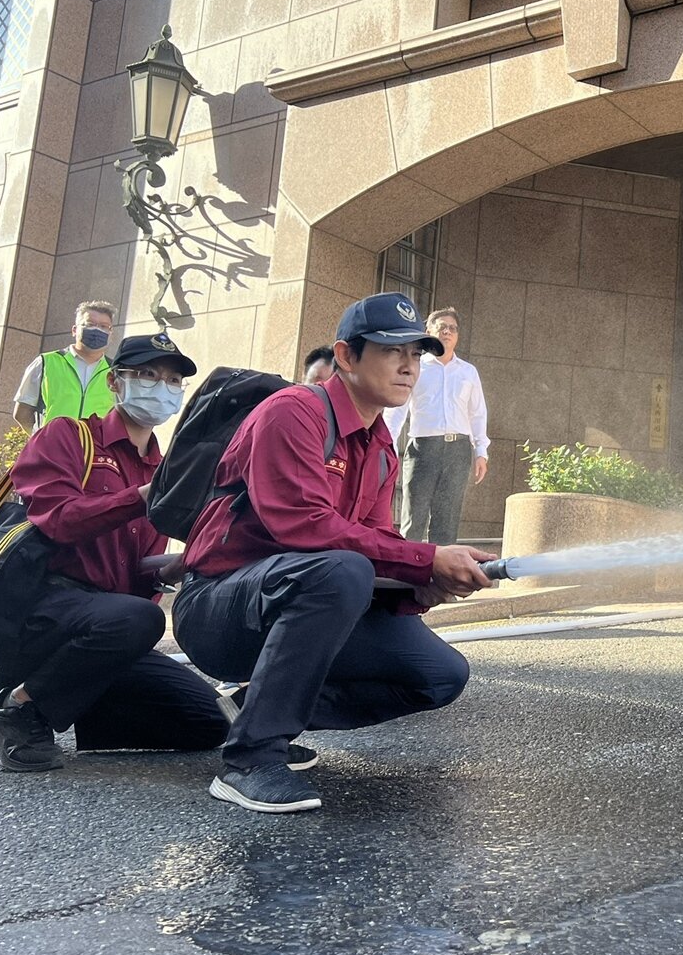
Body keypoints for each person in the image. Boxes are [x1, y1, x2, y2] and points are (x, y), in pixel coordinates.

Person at [174, 293, 494, 813]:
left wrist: (422, 584)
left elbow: (380, 550)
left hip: (296, 594)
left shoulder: (380, 446)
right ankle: (252, 758)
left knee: (440, 674)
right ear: (346, 357)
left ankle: (258, 707)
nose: (410, 365)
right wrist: (425, 556)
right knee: (340, 568)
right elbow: (304, 526)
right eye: (394, 351)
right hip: (217, 608)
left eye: (417, 353)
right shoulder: (293, 412)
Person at [0, 333, 229, 772]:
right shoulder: (68, 436)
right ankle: (17, 707)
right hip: (37, 611)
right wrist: (141, 497)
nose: (160, 387)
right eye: (147, 374)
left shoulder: (165, 466)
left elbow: (129, 572)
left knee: (210, 723)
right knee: (140, 617)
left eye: (172, 380)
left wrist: (169, 567)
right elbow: (56, 520)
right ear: (114, 383)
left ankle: (82, 701)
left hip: (107, 628)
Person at [385, 308, 489, 546]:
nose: (447, 332)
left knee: (447, 520)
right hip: (423, 449)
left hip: (458, 450)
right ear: (428, 331)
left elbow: (477, 414)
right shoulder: (417, 366)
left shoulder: (468, 372)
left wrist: (481, 452)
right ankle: (404, 575)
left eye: (452, 328)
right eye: (441, 327)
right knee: (414, 517)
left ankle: (440, 578)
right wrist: (386, 445)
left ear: (457, 335)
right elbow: (397, 409)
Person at [13, 300, 118, 428]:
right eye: (90, 324)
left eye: (104, 326)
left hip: (94, 447)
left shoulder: (116, 372)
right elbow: (22, 413)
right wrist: (41, 441)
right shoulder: (46, 362)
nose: (97, 330)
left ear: (111, 333)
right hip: (53, 446)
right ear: (74, 330)